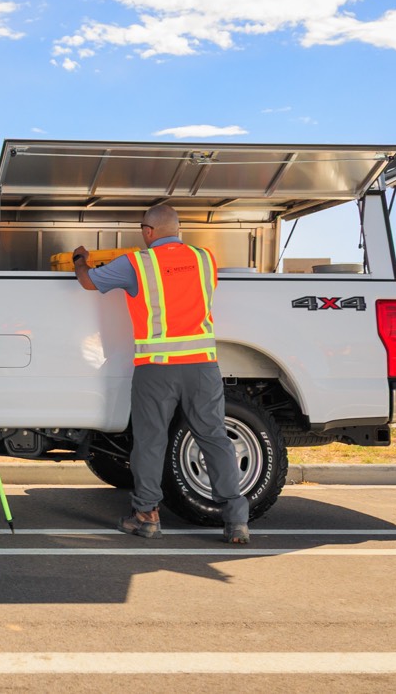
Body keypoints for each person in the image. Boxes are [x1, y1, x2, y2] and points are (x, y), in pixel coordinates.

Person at [72, 204, 250, 544]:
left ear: (147, 231)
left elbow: (88, 282)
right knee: (214, 438)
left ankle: (147, 516)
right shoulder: (204, 259)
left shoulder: (136, 263)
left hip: (157, 369)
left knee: (151, 442)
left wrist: (80, 258)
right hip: (202, 366)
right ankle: (236, 521)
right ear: (178, 229)